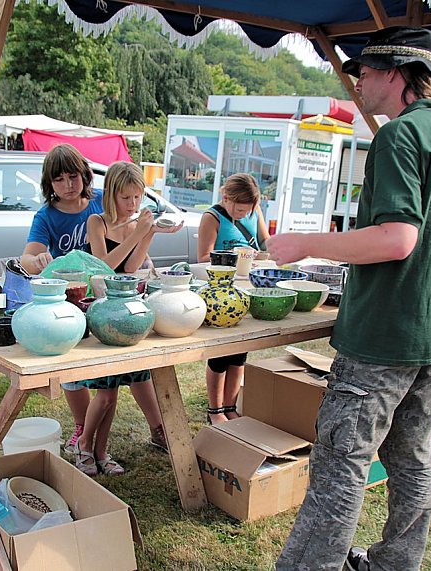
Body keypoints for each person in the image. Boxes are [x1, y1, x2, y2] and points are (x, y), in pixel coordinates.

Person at [267, 27, 431, 571]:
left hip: (380, 342)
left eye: (365, 73)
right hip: (430, 343)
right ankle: (395, 564)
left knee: (341, 469)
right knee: (413, 462)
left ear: (395, 74)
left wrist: (304, 243)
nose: (360, 84)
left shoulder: (400, 136)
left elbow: (398, 239)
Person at [70, 161, 183, 476]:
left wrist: (146, 234)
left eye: (137, 198)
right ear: (110, 195)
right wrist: (137, 234)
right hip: (101, 310)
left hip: (126, 310)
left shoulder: (136, 223)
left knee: (114, 389)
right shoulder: (98, 222)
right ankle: (84, 446)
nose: (132, 204)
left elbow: (130, 270)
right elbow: (104, 268)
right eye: (126, 198)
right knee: (105, 392)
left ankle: (100, 452)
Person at [19, 143, 103, 456]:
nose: (68, 185)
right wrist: (38, 258)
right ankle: (82, 425)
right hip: (67, 302)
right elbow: (26, 258)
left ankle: (156, 425)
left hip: (103, 293)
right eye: (59, 180)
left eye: (73, 177)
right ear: (49, 184)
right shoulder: (47, 216)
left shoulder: (100, 205)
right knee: (70, 368)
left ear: (85, 175)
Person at [197, 173, 269, 424]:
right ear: (226, 198)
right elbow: (202, 257)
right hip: (220, 291)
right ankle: (215, 409)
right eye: (238, 209)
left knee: (241, 350)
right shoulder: (211, 217)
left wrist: (263, 252)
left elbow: (264, 243)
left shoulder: (254, 212)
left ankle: (230, 404)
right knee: (221, 352)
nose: (242, 214)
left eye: (246, 210)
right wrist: (233, 256)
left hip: (245, 288)